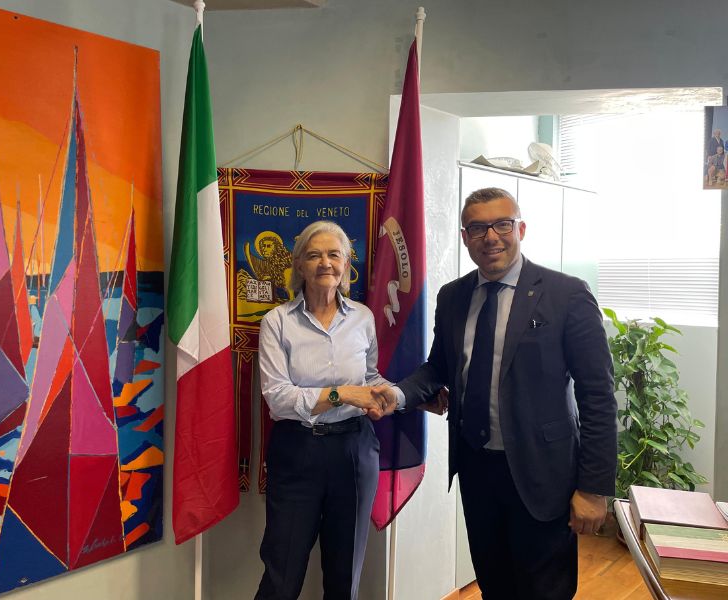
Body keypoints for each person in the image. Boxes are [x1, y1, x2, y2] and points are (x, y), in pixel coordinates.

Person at [377, 187, 617, 600]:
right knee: (495, 586)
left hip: (543, 475)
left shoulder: (566, 294)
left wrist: (593, 489)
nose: (491, 237)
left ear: (520, 229)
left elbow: (598, 395)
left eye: (502, 225)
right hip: (477, 471)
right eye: (478, 228)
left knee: (545, 592)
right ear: (465, 237)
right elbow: (439, 367)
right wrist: (397, 396)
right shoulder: (453, 297)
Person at [255, 220, 392, 600]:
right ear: (299, 265)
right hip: (297, 450)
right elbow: (278, 397)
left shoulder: (363, 318)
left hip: (354, 450)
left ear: (346, 264)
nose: (325, 263)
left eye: (334, 254)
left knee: (344, 576)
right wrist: (341, 394)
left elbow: (369, 377)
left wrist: (400, 396)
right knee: (282, 573)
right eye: (314, 255)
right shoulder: (277, 322)